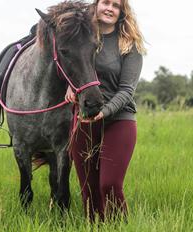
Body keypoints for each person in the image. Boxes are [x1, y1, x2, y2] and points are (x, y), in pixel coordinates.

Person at [65, 0, 146, 221]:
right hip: (84, 120)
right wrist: (69, 88)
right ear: (96, 6)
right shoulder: (81, 39)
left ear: (122, 12)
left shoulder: (130, 45)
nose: (110, 8)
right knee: (89, 192)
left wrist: (106, 111)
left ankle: (120, 226)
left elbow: (127, 90)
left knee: (109, 184)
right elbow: (68, 66)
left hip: (119, 119)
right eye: (105, 3)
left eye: (116, 5)